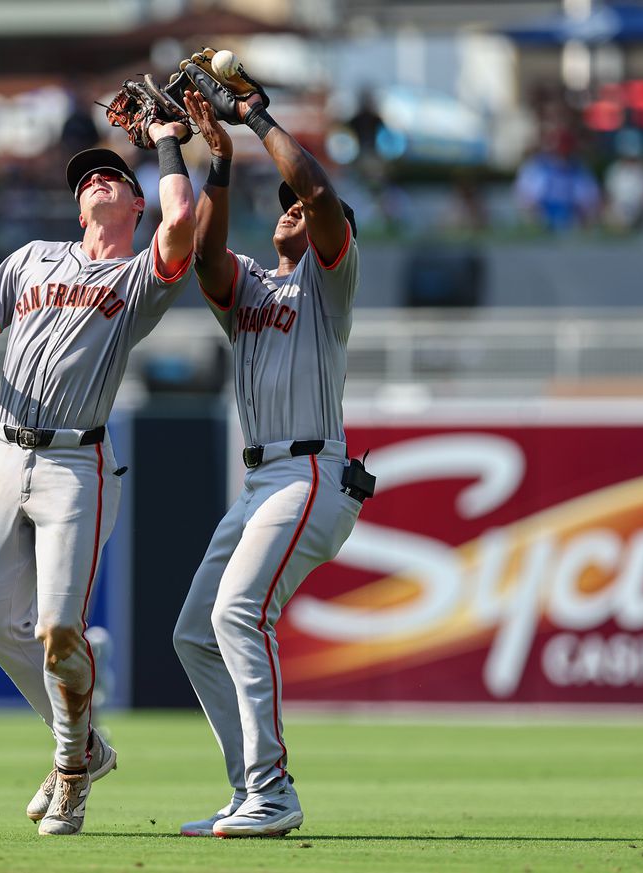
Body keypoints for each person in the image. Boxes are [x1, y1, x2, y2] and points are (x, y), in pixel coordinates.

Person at [0, 124, 196, 837]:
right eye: (87, 177)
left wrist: (168, 142)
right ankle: (91, 744)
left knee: (59, 629)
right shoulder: (30, 258)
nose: (95, 180)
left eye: (112, 177)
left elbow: (183, 218)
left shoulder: (139, 275)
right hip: (7, 451)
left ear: (136, 204)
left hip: (76, 463)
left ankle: (71, 769)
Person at [171, 78, 372, 838]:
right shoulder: (251, 284)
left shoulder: (330, 280)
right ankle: (248, 790)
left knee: (238, 611)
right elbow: (207, 256)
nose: (291, 208)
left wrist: (256, 116)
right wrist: (216, 162)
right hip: (264, 481)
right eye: (281, 203)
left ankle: (274, 789)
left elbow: (319, 194)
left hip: (313, 471)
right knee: (196, 632)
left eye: (304, 210)